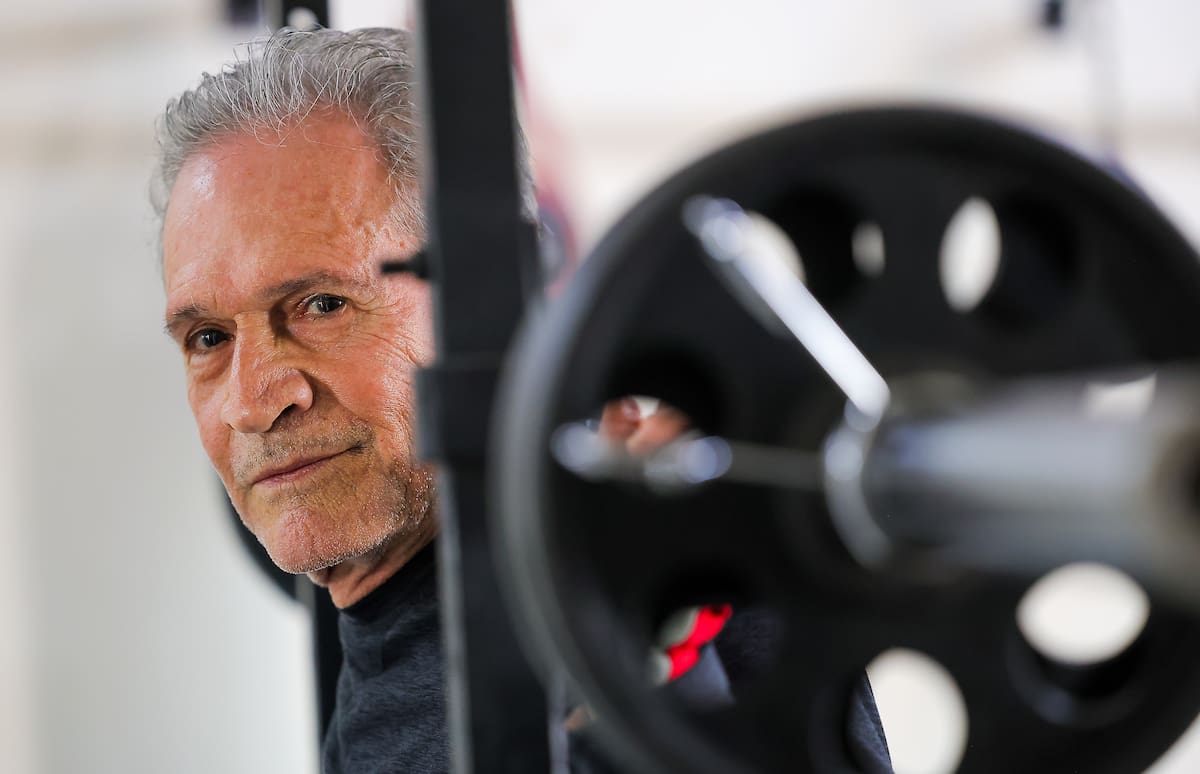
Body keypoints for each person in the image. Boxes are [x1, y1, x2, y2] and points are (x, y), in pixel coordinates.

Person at [154, 26, 891, 774]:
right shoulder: (381, 615)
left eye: (321, 306)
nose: (253, 403)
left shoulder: (656, 588)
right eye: (209, 339)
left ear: (494, 294)